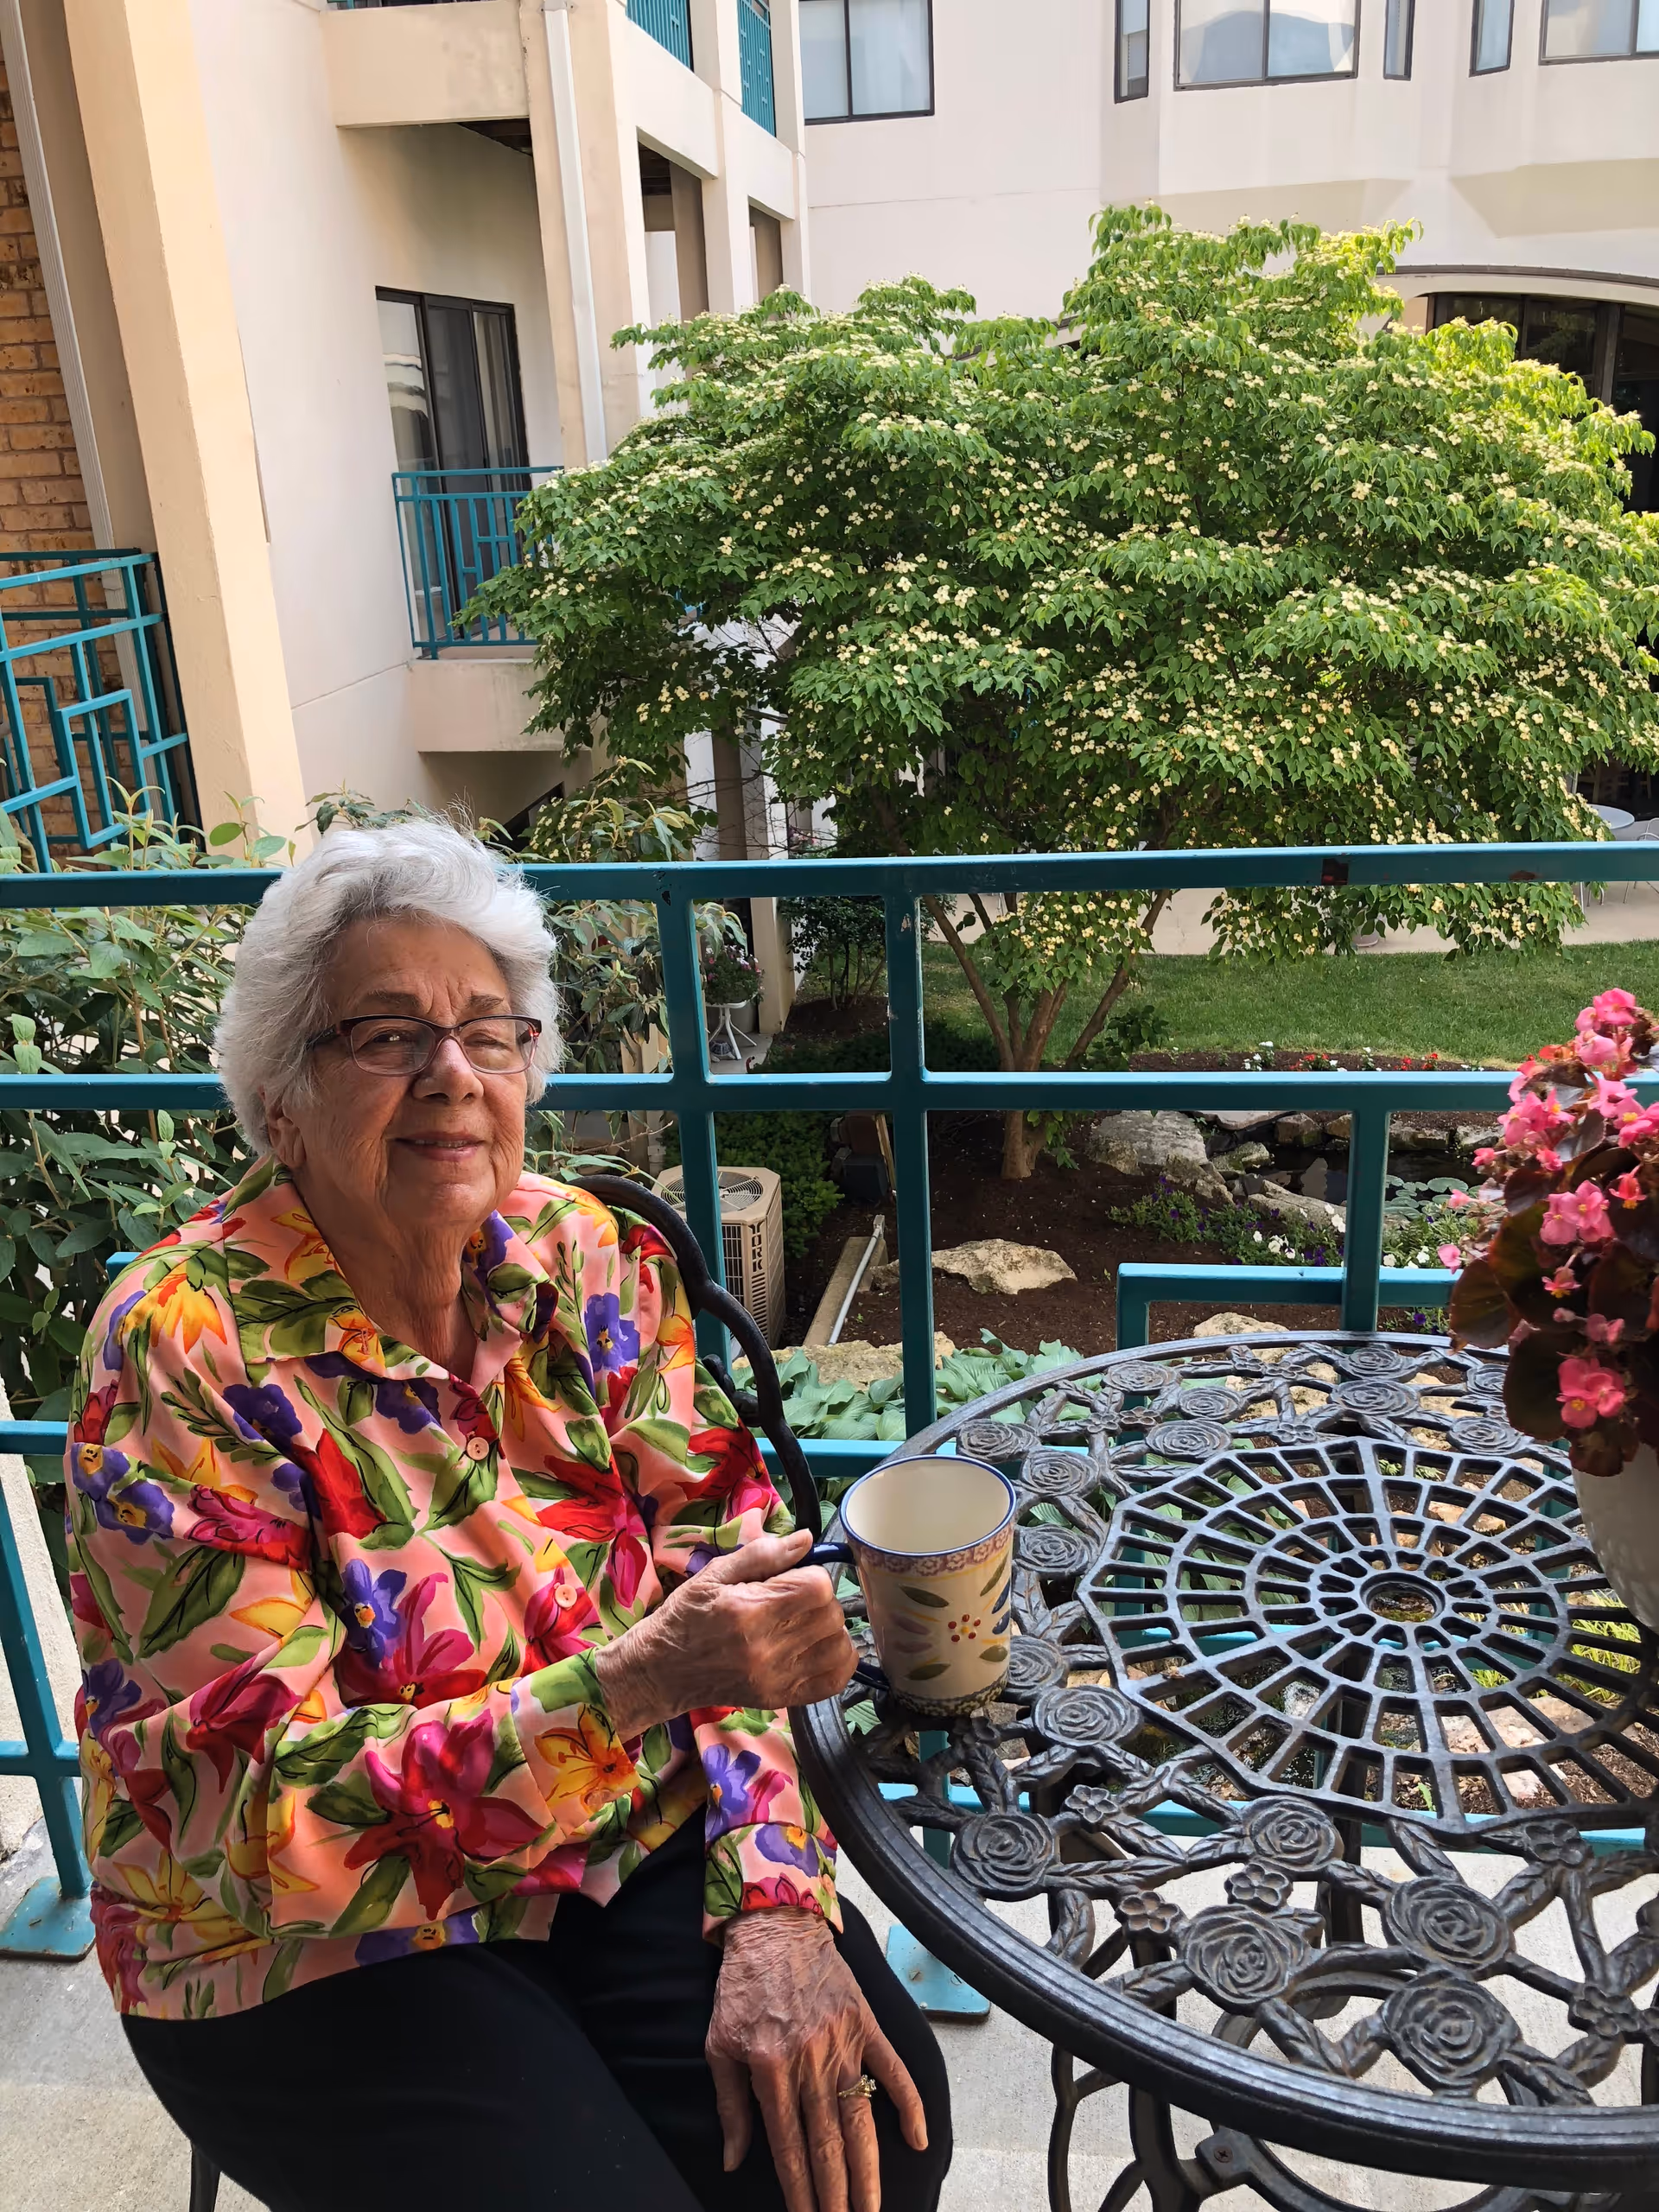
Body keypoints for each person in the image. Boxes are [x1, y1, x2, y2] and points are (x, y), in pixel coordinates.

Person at [66, 820, 950, 2212]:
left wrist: (775, 1898)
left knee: (872, 2152)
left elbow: (733, 1560)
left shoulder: (585, 1252)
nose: (454, 1075)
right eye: (386, 1036)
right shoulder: (183, 1347)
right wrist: (642, 1681)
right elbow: (252, 1811)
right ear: (280, 1099)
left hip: (607, 1827)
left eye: (491, 1032)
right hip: (303, 1936)